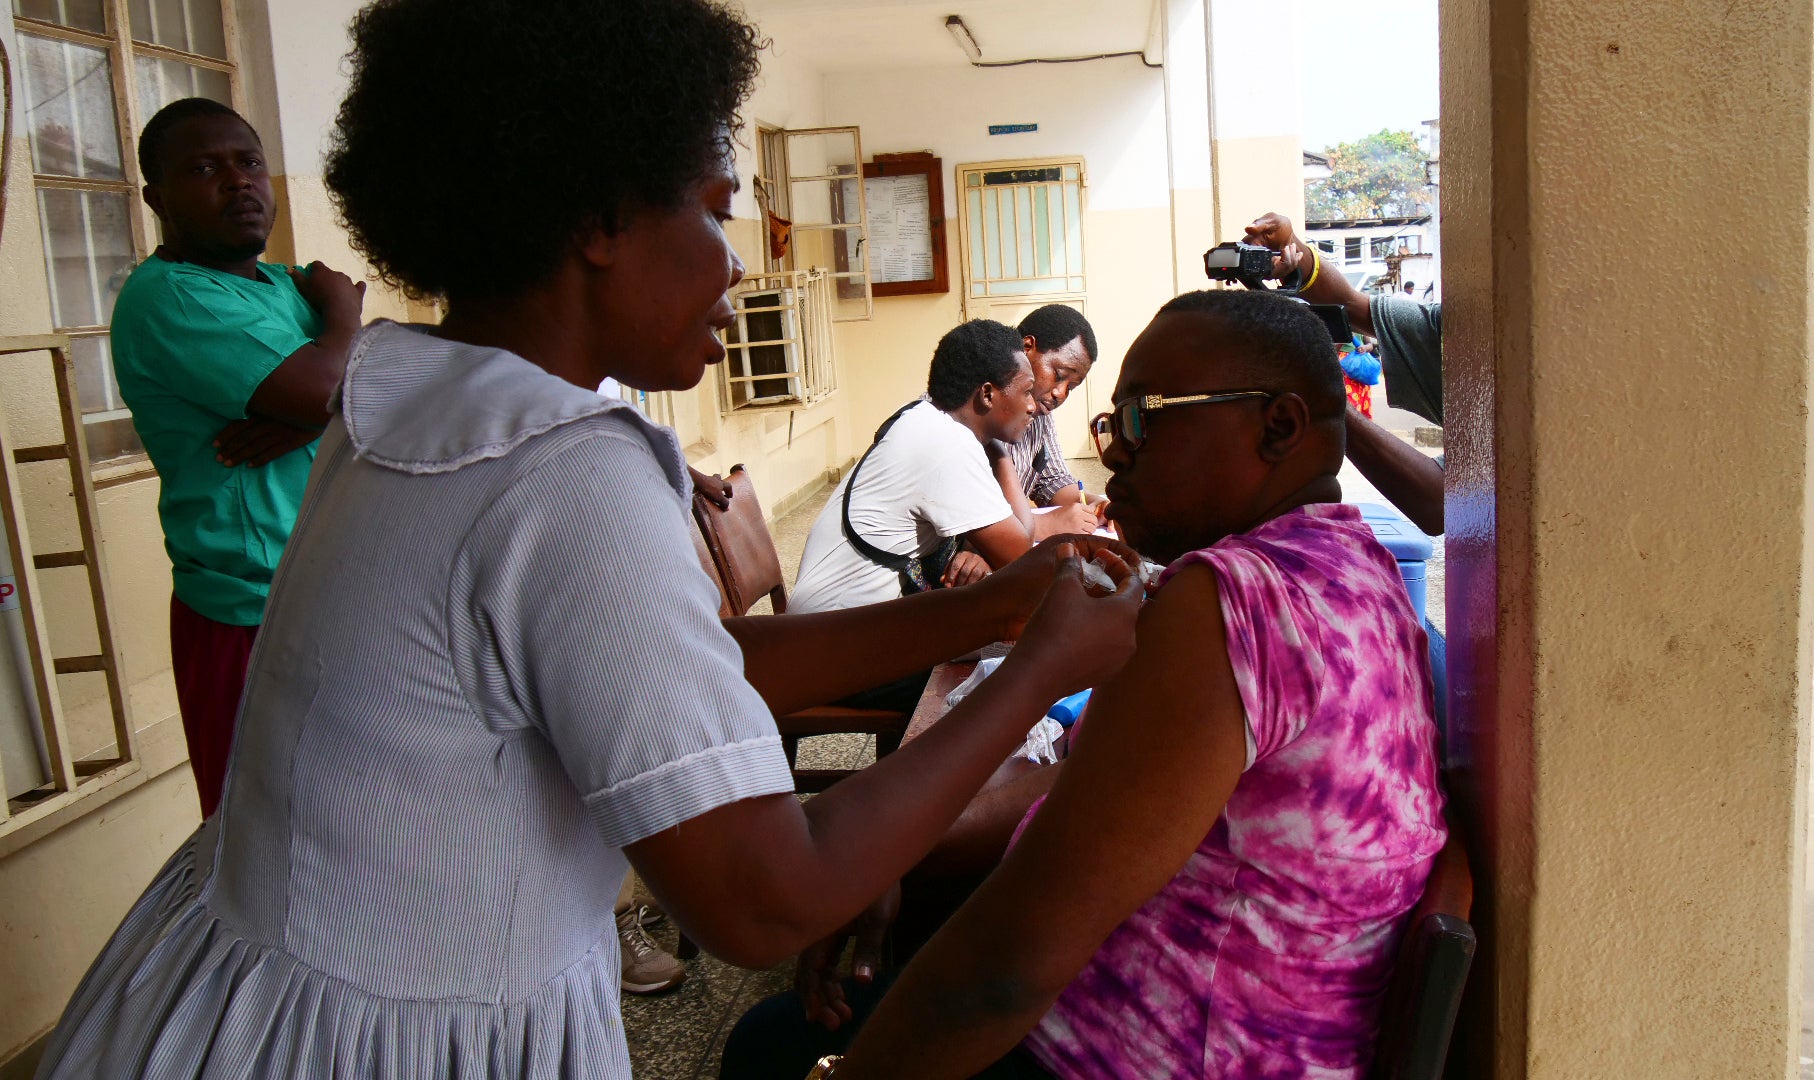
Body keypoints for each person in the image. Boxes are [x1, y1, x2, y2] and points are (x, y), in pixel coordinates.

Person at [30, 4, 1148, 1078]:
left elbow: (683, 671)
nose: (738, 263)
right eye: (715, 211)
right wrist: (1039, 670)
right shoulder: (563, 466)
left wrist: (992, 609)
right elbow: (764, 897)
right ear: (603, 219)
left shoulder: (408, 391)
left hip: (238, 995)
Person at [721, 289, 1448, 1080]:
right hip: (1236, 1029)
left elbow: (1002, 974)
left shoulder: (1227, 600)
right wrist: (896, 854)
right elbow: (1090, 781)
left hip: (1156, 1052)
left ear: (1278, 425)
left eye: (1144, 415)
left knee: (769, 1049)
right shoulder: (1351, 564)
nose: (1117, 450)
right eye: (1113, 421)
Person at [109, 98, 366, 818]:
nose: (238, 182)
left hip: (331, 599)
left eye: (248, 162)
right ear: (157, 198)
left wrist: (314, 414)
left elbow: (371, 381)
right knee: (270, 845)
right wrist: (341, 322)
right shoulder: (171, 298)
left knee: (358, 839)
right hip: (249, 615)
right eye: (204, 168)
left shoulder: (280, 285)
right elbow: (330, 382)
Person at [788, 319, 1041, 618]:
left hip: (839, 619)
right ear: (987, 394)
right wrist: (1002, 456)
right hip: (833, 631)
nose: (1032, 406)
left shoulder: (924, 418)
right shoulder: (948, 443)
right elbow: (1020, 554)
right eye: (1026, 392)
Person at [1246, 212, 1444, 536]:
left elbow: (1442, 503)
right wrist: (1294, 251)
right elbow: (1351, 304)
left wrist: (1322, 393)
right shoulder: (1457, 327)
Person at [990, 305, 1104, 539]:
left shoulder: (1040, 413)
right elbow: (961, 505)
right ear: (1027, 347)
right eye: (1059, 375)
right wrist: (1043, 524)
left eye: (1071, 387)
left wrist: (1095, 504)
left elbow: (1052, 481)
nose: (1060, 393)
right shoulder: (974, 408)